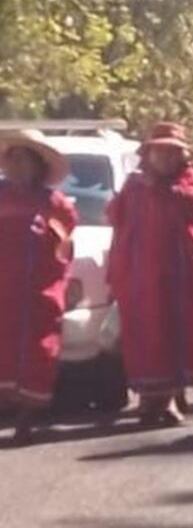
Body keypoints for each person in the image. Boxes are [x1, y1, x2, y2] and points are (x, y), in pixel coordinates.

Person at [107, 123, 193, 426]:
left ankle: (169, 398)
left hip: (178, 274)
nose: (166, 157)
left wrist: (157, 187)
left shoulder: (188, 182)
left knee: (175, 332)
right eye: (160, 151)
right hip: (139, 275)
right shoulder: (133, 186)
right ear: (148, 153)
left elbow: (188, 206)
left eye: (173, 152)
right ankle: (147, 399)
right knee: (144, 336)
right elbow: (115, 219)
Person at [0, 130, 76, 445]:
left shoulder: (55, 204)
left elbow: (64, 248)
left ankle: (26, 418)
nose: (18, 167)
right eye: (13, 160)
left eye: (25, 160)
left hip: (38, 292)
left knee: (37, 351)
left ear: (38, 166)